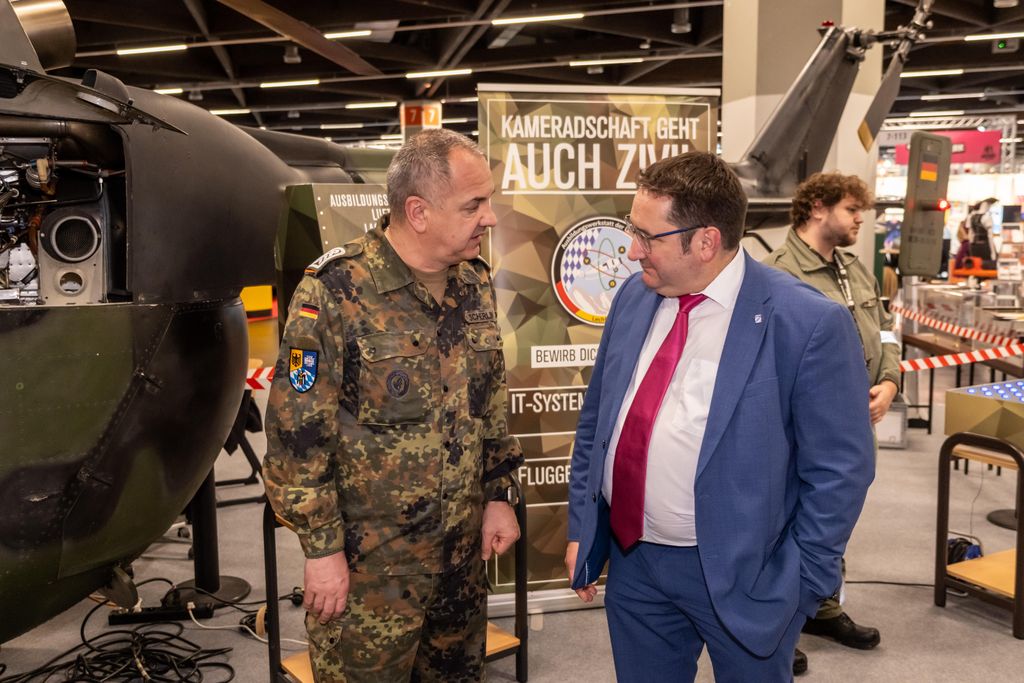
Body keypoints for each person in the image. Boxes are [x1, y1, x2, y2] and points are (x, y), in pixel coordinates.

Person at [565, 152, 875, 682]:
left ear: (706, 241)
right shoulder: (633, 300)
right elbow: (598, 422)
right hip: (636, 562)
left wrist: (800, 584)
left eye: (648, 236)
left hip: (749, 574)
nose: (632, 250)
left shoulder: (807, 322)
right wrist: (582, 527)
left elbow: (841, 470)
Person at [264, 128, 523, 682]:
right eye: (474, 204)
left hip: (459, 560)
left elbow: (490, 405)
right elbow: (296, 439)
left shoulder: (474, 284)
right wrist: (322, 551)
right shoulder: (335, 290)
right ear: (418, 211)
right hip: (370, 571)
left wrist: (499, 494)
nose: (491, 217)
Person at [765, 171, 901, 672]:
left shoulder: (855, 270)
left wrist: (889, 382)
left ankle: (821, 608)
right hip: (798, 434)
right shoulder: (777, 274)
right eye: (850, 209)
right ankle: (779, 624)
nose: (859, 219)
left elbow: (886, 332)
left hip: (852, 432)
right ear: (817, 208)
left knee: (833, 520)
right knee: (786, 525)